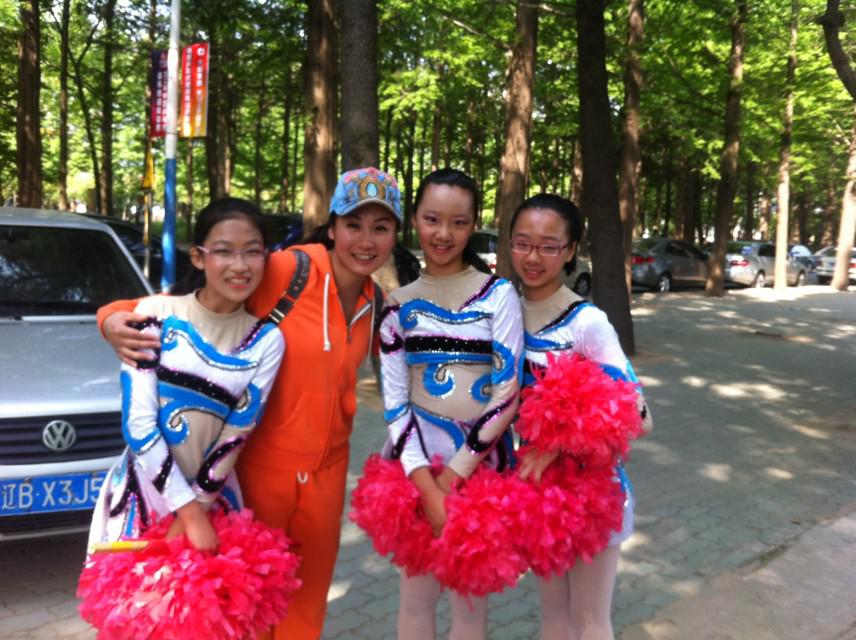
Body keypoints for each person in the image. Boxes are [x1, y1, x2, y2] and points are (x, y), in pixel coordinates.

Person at [96, 167, 401, 640]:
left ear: (395, 235)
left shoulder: (375, 302)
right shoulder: (289, 269)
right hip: (258, 471)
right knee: (246, 607)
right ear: (332, 227)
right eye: (353, 224)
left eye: (380, 228)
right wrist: (110, 318)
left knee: (305, 607)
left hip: (327, 474)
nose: (366, 240)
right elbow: (190, 296)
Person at [87, 197, 284, 551]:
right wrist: (189, 513)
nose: (240, 265)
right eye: (224, 251)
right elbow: (139, 424)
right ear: (198, 257)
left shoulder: (267, 340)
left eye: (252, 252)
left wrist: (200, 506)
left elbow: (236, 432)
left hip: (214, 498)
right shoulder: (154, 314)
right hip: (143, 494)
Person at [377, 168, 524, 639]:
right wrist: (427, 486)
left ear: (473, 224)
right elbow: (395, 403)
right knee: (415, 600)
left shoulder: (498, 295)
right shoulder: (397, 305)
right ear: (414, 220)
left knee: (470, 604)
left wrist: (454, 476)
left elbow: (506, 391)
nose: (444, 234)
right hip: (415, 467)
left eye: (458, 223)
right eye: (432, 219)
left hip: (481, 470)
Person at [508, 193, 652, 640]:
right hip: (537, 494)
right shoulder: (503, 314)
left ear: (570, 251)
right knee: (553, 621)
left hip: (594, 494)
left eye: (549, 246)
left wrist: (556, 446)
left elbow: (640, 417)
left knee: (589, 621)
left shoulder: (587, 323)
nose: (533, 257)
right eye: (522, 243)